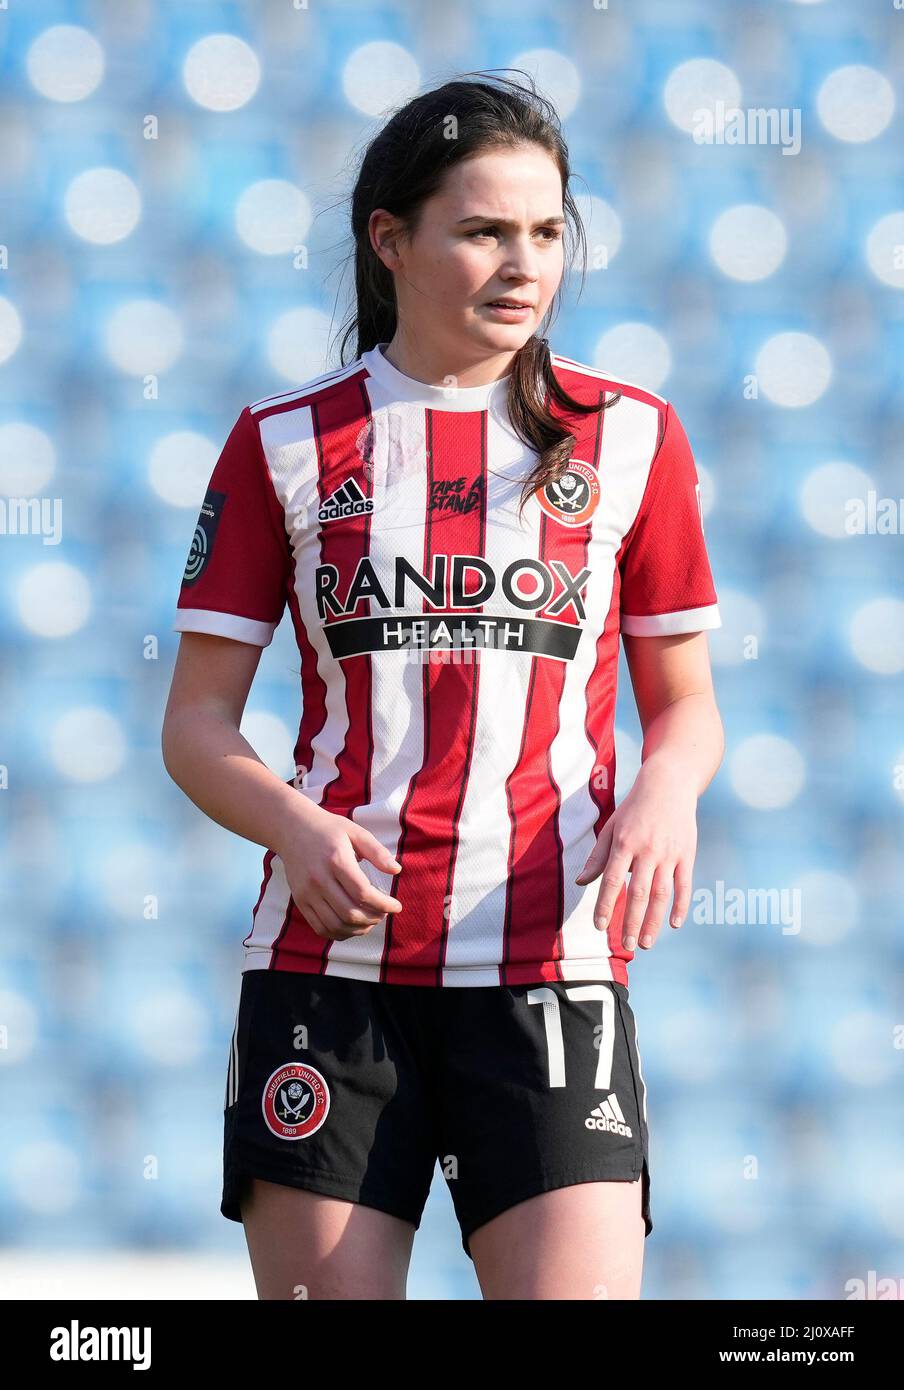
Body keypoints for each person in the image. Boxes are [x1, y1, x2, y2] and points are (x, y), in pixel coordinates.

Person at [162, 71, 724, 1301]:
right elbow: (196, 725)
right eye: (482, 230)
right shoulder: (286, 443)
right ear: (390, 240)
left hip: (550, 973)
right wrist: (295, 825)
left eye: (543, 232)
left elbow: (683, 704)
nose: (523, 264)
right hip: (330, 978)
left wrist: (666, 795)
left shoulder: (631, 438)